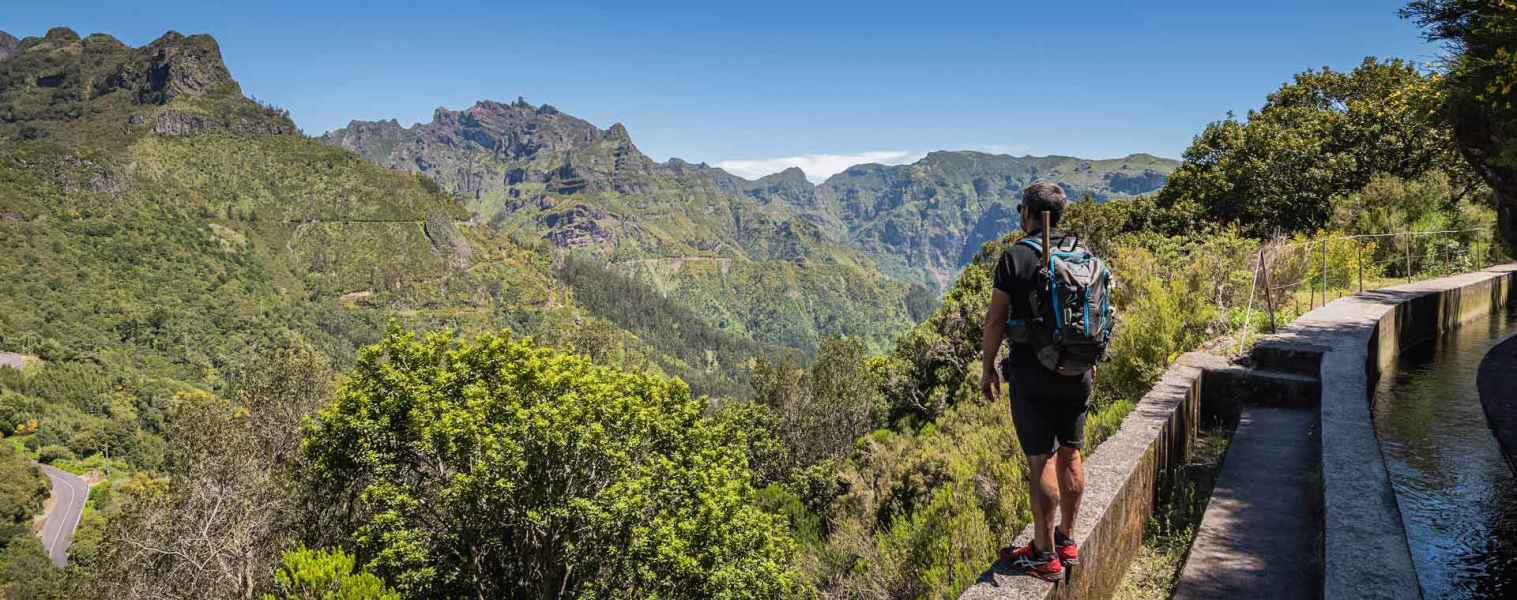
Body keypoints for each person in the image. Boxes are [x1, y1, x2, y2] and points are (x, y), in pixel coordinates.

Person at [979, 181, 1090, 582]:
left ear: (1027, 213)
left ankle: (1043, 554)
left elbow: (995, 319)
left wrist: (988, 366)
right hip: (1078, 370)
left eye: (1019, 210)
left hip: (1031, 373)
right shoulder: (1082, 252)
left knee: (1040, 457)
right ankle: (1068, 538)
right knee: (1072, 451)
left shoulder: (1015, 258)